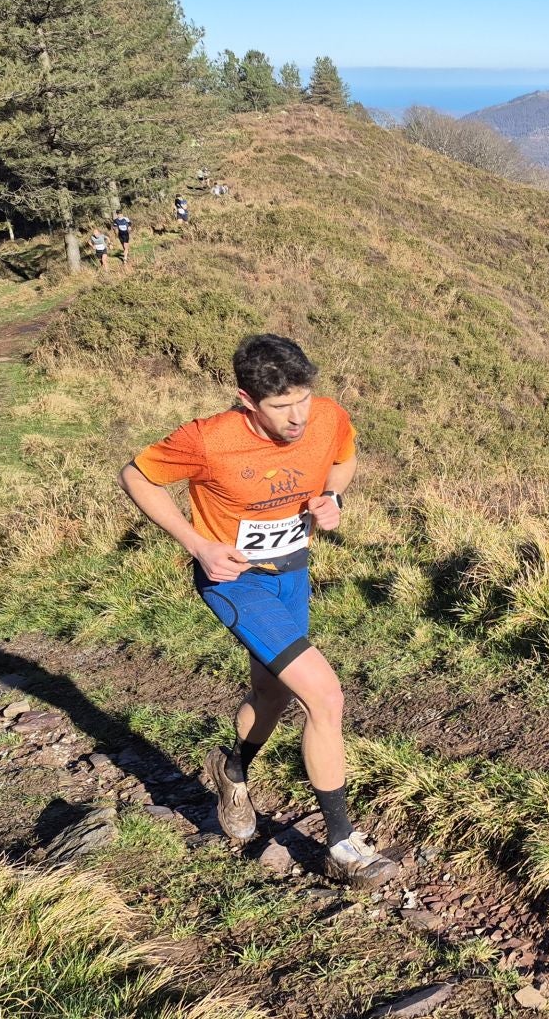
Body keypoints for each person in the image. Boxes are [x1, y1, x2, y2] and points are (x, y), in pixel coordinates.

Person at [117, 335, 399, 887]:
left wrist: (332, 499)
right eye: (280, 407)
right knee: (324, 693)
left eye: (303, 400)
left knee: (272, 693)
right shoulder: (207, 439)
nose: (297, 418)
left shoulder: (326, 416)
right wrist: (196, 543)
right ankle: (342, 845)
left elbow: (343, 459)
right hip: (235, 580)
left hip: (293, 573)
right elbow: (136, 476)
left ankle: (234, 771)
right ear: (247, 400)